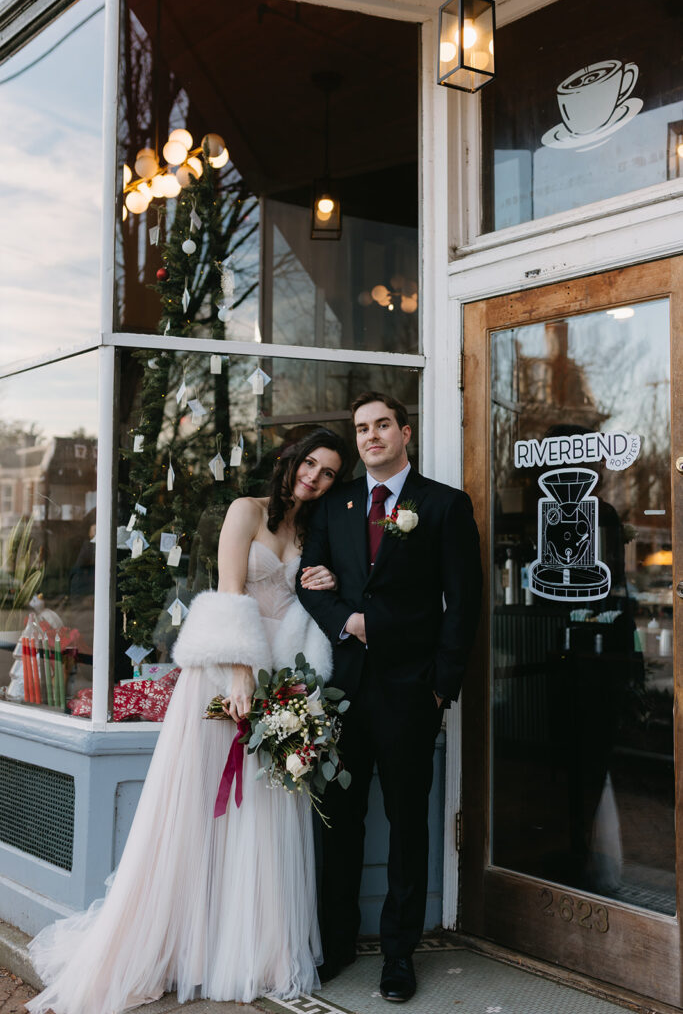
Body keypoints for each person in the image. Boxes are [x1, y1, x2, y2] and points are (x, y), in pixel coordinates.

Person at [27, 427, 350, 1014]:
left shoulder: (315, 530)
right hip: (228, 672)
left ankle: (253, 951)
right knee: (203, 813)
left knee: (262, 817)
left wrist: (325, 583)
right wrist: (240, 673)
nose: (315, 477)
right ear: (290, 459)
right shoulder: (245, 511)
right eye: (310, 464)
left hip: (283, 680)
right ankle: (180, 946)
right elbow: (230, 590)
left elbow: (308, 599)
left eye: (328, 472)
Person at [297, 392, 482, 1002]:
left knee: (407, 828)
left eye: (382, 426)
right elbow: (310, 583)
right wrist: (347, 620)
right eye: (361, 429)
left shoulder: (445, 506)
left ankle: (398, 956)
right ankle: (339, 943)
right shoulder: (336, 504)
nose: (371, 436)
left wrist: (440, 689)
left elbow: (463, 605)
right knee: (341, 825)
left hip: (411, 693)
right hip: (344, 693)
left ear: (405, 432)